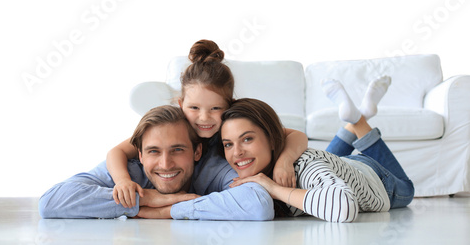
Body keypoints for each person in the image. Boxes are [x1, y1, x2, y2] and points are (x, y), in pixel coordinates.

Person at [106, 39, 308, 209]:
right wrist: (123, 180)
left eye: (215, 109)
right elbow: (117, 152)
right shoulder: (173, 127)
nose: (204, 118)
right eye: (194, 108)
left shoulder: (233, 124)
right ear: (181, 104)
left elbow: (296, 135)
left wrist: (285, 160)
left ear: (229, 106)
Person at [220, 76, 415, 223]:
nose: (236, 152)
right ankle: (357, 116)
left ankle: (358, 120)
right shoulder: (247, 167)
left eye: (247, 139)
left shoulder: (307, 169)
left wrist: (274, 189)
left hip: (375, 178)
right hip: (336, 165)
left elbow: (344, 207)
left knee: (408, 188)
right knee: (327, 161)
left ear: (272, 139)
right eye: (228, 144)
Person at [38, 105, 274, 220]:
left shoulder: (212, 167)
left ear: (197, 151)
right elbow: (51, 202)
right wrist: (147, 199)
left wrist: (169, 210)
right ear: (139, 155)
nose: (165, 164)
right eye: (153, 151)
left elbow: (257, 203)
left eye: (177, 150)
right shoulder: (129, 170)